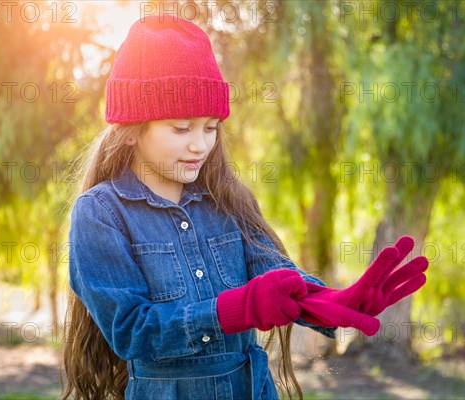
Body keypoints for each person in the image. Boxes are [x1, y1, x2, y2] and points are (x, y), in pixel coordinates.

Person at [61, 15, 428, 400]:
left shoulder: (228, 197)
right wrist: (236, 308)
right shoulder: (101, 213)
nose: (200, 145)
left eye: (211, 126)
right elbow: (133, 330)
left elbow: (277, 277)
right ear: (132, 130)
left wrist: (329, 301)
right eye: (181, 128)